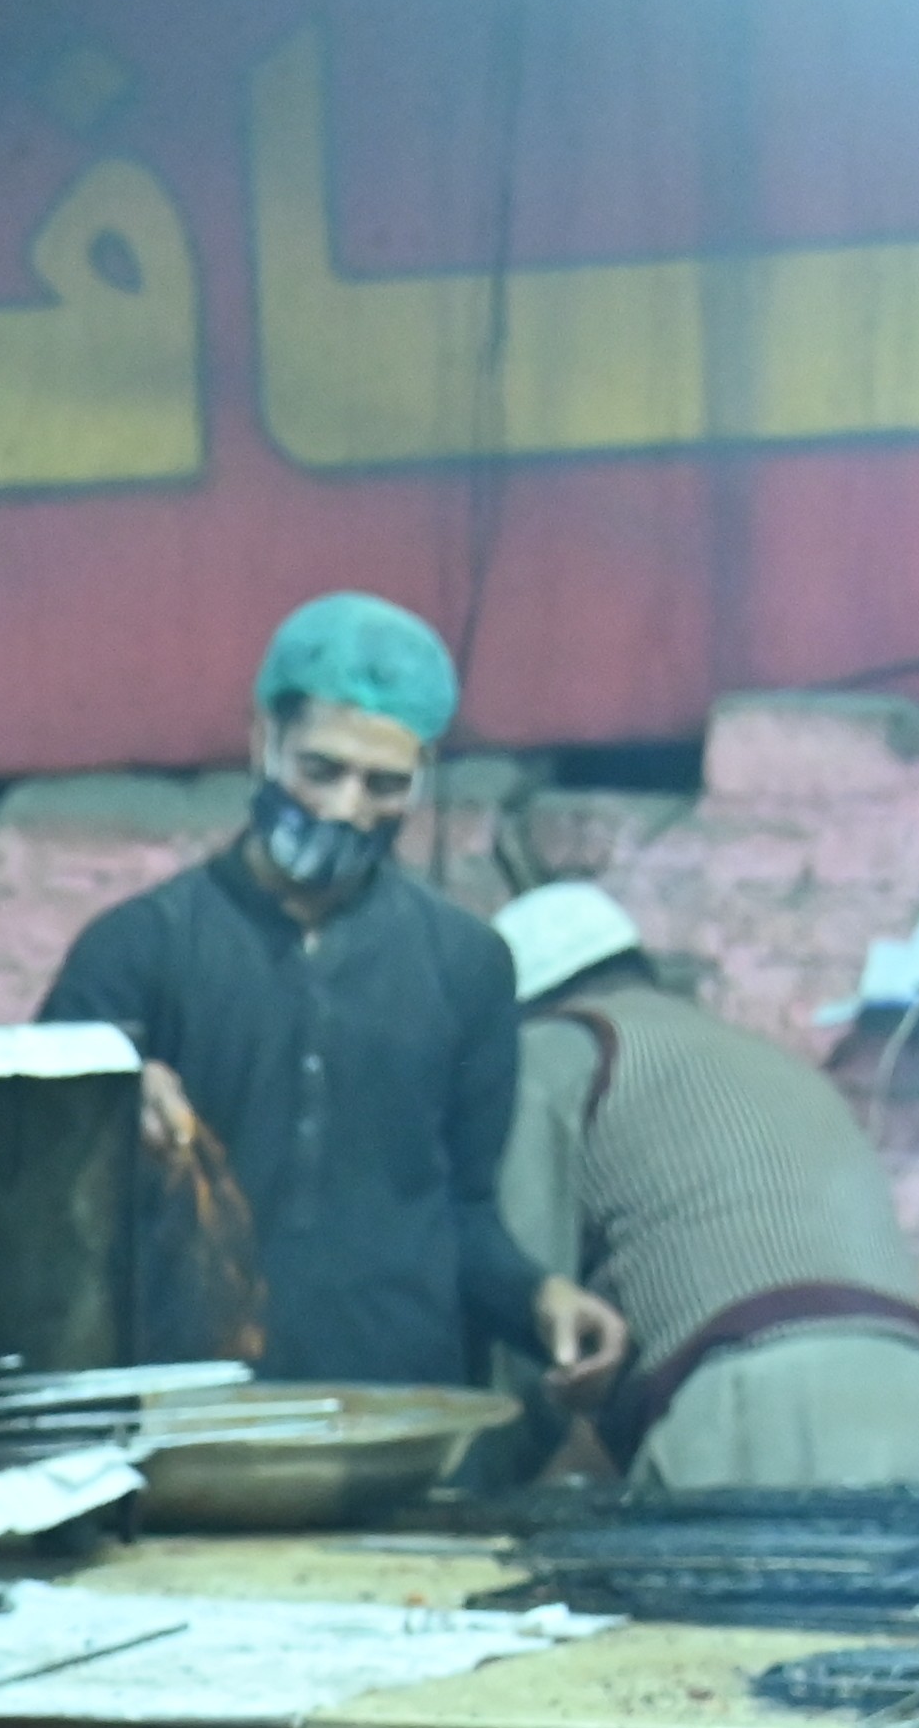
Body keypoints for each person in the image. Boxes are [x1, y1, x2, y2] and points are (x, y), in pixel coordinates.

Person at [46, 595, 628, 1398]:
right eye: (321, 769)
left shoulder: (467, 968)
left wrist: (539, 1299)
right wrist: (100, 1105)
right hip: (185, 1418)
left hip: (395, 1414)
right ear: (264, 743)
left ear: (421, 779)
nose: (346, 807)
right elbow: (36, 1208)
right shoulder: (136, 951)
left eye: (384, 783)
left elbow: (463, 1215)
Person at [488, 881, 919, 1489]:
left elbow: (529, 1303)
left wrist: (493, 1487)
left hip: (759, 1394)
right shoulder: (759, 1057)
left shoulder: (556, 1049)